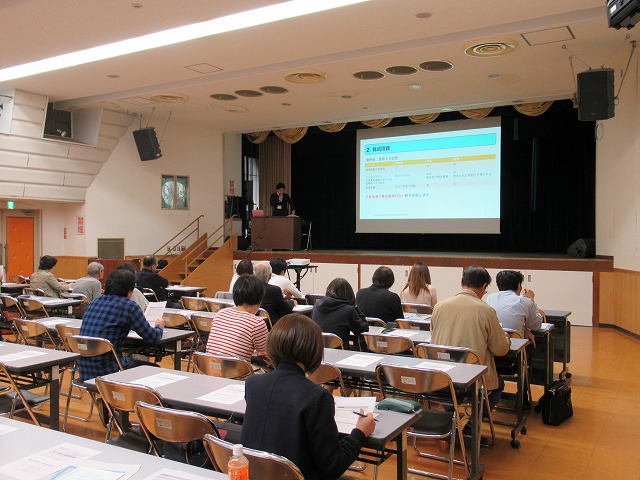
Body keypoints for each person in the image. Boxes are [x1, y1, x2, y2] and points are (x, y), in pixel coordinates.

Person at [241, 314, 375, 480]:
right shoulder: (317, 397)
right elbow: (332, 466)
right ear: (314, 351)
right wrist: (359, 432)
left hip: (255, 474)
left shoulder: (253, 383)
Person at [430, 265, 511, 411]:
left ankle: (452, 415)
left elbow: (433, 334)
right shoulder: (486, 311)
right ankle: (474, 421)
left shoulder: (439, 306)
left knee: (451, 389)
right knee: (499, 384)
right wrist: (506, 338)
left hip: (441, 376)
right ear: (484, 286)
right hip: (472, 379)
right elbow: (500, 350)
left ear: (462, 283)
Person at [78, 269, 165, 381]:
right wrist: (159, 326)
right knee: (154, 369)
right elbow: (152, 337)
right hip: (110, 371)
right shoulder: (129, 306)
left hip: (85, 370)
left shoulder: (95, 302)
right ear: (130, 292)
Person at [206, 274, 268, 362]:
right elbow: (264, 353)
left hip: (209, 366)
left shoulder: (221, 313)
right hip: (236, 370)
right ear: (259, 299)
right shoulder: (257, 323)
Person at [486, 270, 542, 344]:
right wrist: (531, 300)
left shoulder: (490, 298)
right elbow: (536, 326)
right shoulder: (525, 301)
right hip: (516, 345)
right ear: (519, 285)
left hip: (493, 344)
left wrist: (524, 329)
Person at [312, 278, 368, 349]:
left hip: (318, 350)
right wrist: (356, 307)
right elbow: (363, 330)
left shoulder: (316, 306)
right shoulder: (348, 310)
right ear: (349, 294)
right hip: (340, 352)